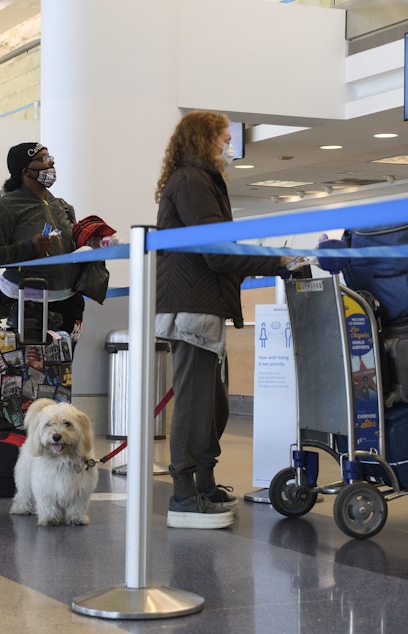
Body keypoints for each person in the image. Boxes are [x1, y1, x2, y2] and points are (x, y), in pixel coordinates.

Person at [154, 110, 300, 530]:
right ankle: (183, 495)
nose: (228, 144)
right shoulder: (193, 181)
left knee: (213, 406)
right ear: (205, 140)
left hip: (201, 304)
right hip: (192, 308)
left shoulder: (195, 179)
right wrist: (277, 261)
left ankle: (203, 483)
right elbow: (216, 251)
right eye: (223, 137)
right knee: (196, 404)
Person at [0, 142, 84, 341]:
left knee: (63, 369)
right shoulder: (4, 207)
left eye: (50, 157)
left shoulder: (62, 206)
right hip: (23, 303)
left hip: (68, 302)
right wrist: (29, 248)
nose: (51, 162)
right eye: (42, 159)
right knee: (24, 368)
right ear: (25, 170)